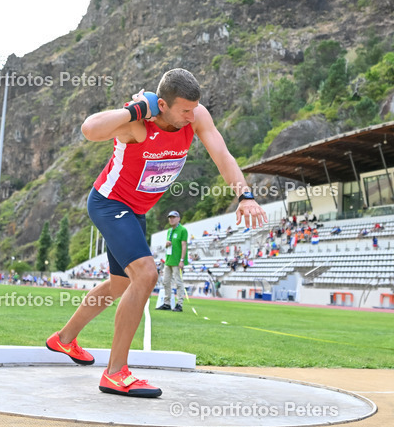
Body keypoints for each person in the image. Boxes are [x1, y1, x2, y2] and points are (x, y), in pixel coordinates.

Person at [46, 69, 267, 398]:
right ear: (161, 104)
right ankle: (116, 372)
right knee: (146, 275)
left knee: (121, 284)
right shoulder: (139, 124)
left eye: (195, 109)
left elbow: (222, 154)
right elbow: (90, 129)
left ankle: (63, 340)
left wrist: (244, 195)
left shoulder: (196, 116)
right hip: (109, 203)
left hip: (136, 212)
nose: (192, 117)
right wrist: (133, 109)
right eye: (184, 111)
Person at [159, 211, 188, 311]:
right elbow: (169, 246)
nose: (171, 219)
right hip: (169, 260)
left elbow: (184, 246)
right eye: (170, 217)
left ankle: (179, 304)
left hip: (177, 261)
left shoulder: (182, 230)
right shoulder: (169, 231)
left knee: (178, 283)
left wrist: (182, 260)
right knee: (166, 282)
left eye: (174, 217)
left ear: (179, 218)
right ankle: (166, 303)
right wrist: (166, 244)